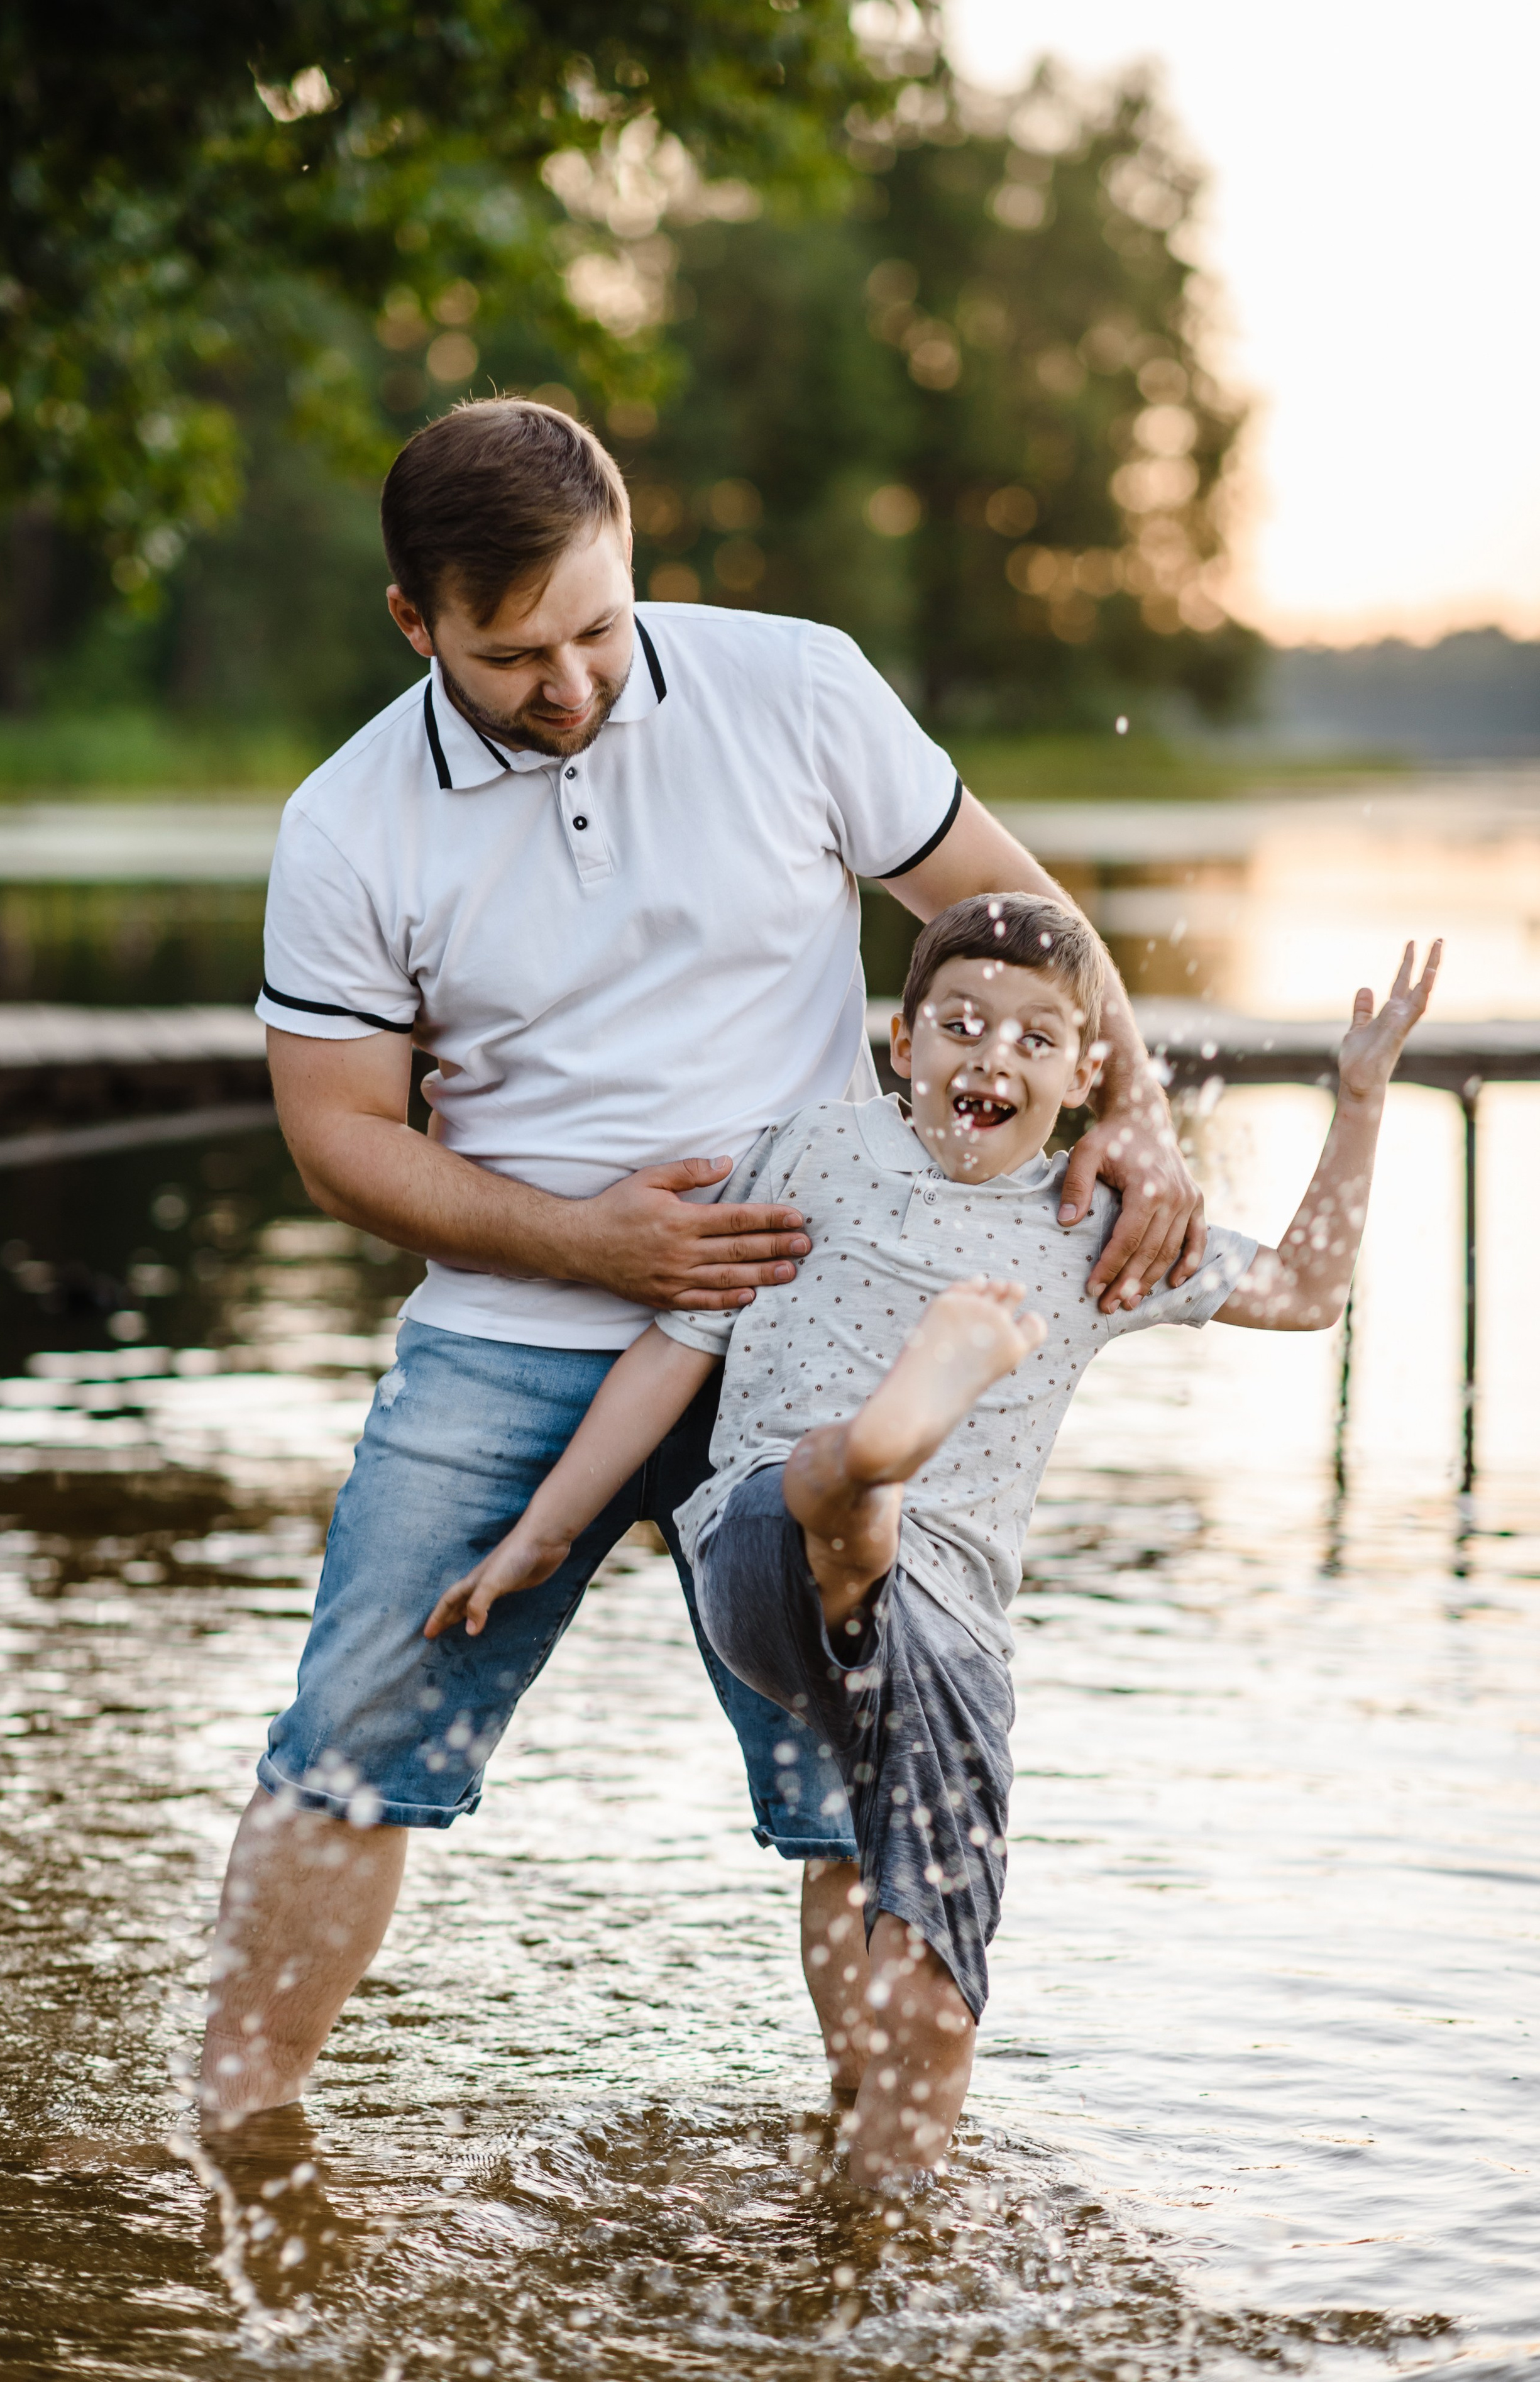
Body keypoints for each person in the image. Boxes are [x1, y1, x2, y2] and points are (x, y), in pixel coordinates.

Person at [199, 400, 1206, 2126]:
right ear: (413, 621)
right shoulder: (348, 823)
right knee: (346, 1749)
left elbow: (1021, 917)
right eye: (514, 655)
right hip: (512, 1333)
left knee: (865, 1786)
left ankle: (892, 2202)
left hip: (821, 1330)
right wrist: (588, 1236)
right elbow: (338, 1137)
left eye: (599, 627)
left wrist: (1142, 1109)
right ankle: (232, 2137)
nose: (572, 683)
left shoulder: (795, 687)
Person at [426, 893, 1441, 2187]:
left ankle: (875, 2219)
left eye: (1033, 1041)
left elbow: (1303, 1290)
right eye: (961, 1026)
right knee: (827, 1498)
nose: (991, 1057)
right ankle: (871, 1454)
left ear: (1086, 1076)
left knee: (923, 1972)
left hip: (942, 1641)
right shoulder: (806, 1154)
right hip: (760, 1547)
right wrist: (544, 1531)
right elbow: (676, 1345)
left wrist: (1359, 1099)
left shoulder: (1096, 1226)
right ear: (902, 1044)